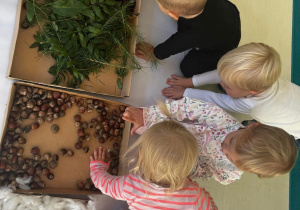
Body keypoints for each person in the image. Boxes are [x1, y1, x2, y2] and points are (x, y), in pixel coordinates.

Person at [122, 97, 298, 184]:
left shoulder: (230, 173)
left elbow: (205, 171)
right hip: (172, 130)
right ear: (251, 126)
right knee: (139, 121)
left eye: (231, 159)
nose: (225, 151)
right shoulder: (222, 120)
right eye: (230, 142)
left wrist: (186, 169)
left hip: (179, 157)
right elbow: (187, 107)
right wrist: (148, 115)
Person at [162, 42, 300, 139]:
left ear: (252, 92)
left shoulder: (254, 106)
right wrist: (191, 81)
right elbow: (223, 74)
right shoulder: (264, 80)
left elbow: (219, 100)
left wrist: (186, 92)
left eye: (227, 86)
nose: (221, 83)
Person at [90, 121, 218, 209]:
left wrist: (97, 168)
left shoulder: (131, 186)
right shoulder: (195, 195)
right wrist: (205, 196)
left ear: (141, 156)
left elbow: (104, 184)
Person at [135, 0, 241, 77]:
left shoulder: (193, 34)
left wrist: (155, 53)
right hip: (229, 12)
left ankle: (221, 65)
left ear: (173, 14)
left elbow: (174, 44)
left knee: (187, 68)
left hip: (222, 47)